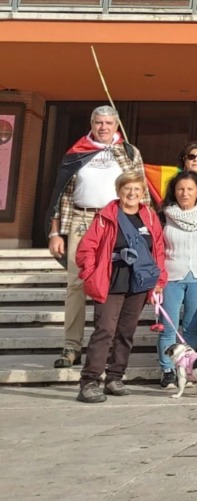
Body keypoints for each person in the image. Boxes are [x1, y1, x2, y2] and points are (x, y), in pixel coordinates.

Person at [45, 106, 147, 369]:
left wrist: (141, 229)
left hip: (116, 222)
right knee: (76, 285)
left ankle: (106, 345)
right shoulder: (76, 152)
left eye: (108, 123)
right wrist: (55, 231)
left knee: (113, 285)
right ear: (92, 124)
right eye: (98, 122)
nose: (103, 127)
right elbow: (61, 194)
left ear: (117, 126)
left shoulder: (129, 152)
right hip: (80, 220)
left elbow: (140, 191)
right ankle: (71, 346)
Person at [74, 170, 166, 403]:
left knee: (126, 332)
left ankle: (115, 376)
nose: (132, 193)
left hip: (138, 283)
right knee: (104, 330)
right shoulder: (106, 216)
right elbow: (86, 249)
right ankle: (89, 381)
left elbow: (158, 250)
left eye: (137, 189)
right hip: (110, 280)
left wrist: (159, 281)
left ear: (143, 192)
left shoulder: (150, 218)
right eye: (127, 189)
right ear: (119, 191)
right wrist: (90, 273)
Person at [155, 171, 197, 389]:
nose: (185, 193)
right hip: (171, 276)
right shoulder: (164, 215)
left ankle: (187, 367)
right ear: (173, 191)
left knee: (192, 327)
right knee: (169, 327)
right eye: (180, 189)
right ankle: (167, 370)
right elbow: (157, 248)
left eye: (190, 189)